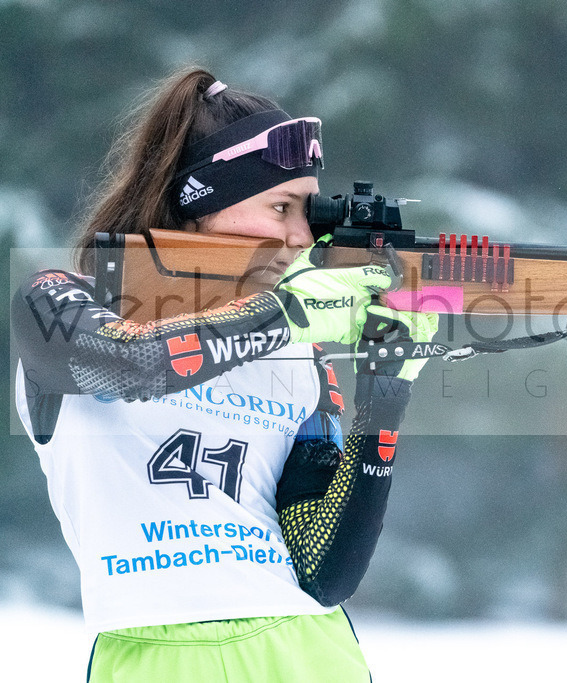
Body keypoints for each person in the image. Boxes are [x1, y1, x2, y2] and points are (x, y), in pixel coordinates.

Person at [11, 67, 436, 681]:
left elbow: (325, 572)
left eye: (308, 211)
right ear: (198, 205)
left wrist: (383, 395)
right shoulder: (58, 299)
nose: (301, 236)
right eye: (281, 207)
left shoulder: (298, 354)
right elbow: (130, 364)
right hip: (148, 658)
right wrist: (285, 313)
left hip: (308, 652)